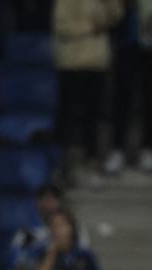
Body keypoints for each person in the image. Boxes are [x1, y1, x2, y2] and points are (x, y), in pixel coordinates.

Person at [53, 0, 124, 179]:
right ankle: (63, 164)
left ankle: (92, 164)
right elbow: (61, 25)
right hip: (71, 63)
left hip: (96, 63)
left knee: (93, 115)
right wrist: (89, 27)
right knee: (67, 115)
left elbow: (116, 15)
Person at [103, 0, 152, 174]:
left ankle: (149, 148)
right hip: (126, 42)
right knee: (121, 98)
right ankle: (117, 149)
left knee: (151, 98)